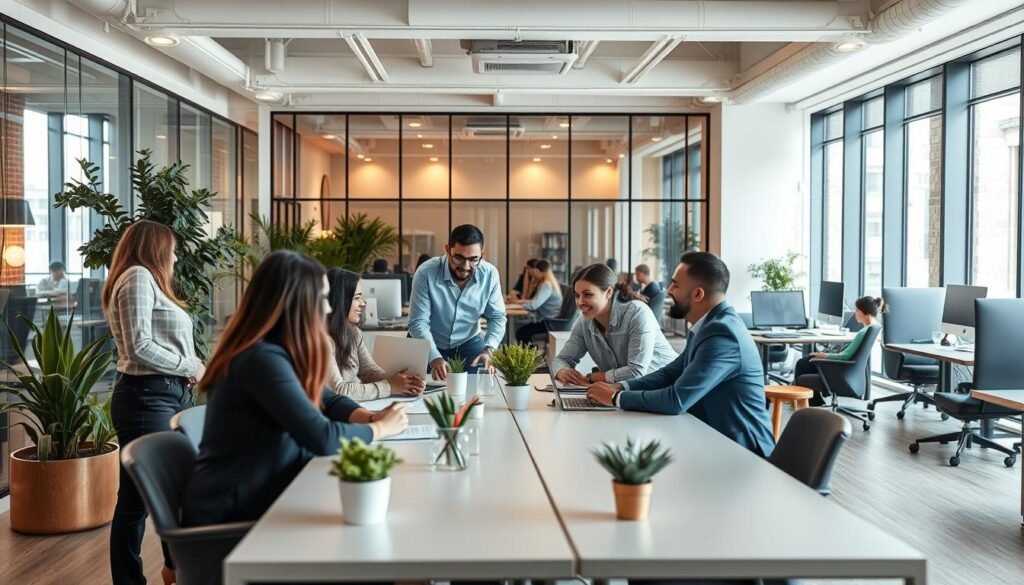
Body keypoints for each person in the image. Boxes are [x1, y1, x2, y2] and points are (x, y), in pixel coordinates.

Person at [182, 251, 408, 528]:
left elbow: (328, 399)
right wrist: (380, 429)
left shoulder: (279, 351)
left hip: (265, 494)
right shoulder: (261, 360)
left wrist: (370, 417)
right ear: (298, 304)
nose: (328, 309)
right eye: (322, 299)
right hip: (234, 514)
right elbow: (322, 437)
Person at [586, 252, 776, 458]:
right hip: (710, 437)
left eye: (675, 285)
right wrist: (621, 386)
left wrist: (615, 398)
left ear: (698, 294)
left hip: (742, 451)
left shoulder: (723, 333)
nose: (668, 290)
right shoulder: (706, 326)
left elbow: (676, 399)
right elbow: (670, 373)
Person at [104, 220, 201, 585]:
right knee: (137, 500)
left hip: (168, 395)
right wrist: (190, 365)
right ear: (156, 248)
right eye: (172, 250)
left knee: (174, 489)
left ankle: (174, 571)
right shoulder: (137, 277)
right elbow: (139, 346)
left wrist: (189, 368)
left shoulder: (149, 282)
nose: (175, 258)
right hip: (146, 398)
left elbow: (156, 343)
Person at [552, 263, 676, 385]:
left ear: (608, 293)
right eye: (577, 295)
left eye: (588, 294)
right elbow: (561, 359)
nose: (580, 302)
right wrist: (562, 371)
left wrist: (592, 378)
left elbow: (636, 371)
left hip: (669, 386)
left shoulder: (637, 313)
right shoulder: (584, 322)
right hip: (630, 390)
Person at [409, 224, 506, 380]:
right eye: (459, 258)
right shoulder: (426, 272)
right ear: (448, 249)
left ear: (482, 254)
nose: (465, 267)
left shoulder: (490, 274)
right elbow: (418, 321)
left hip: (469, 341)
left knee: (477, 387)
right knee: (423, 390)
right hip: (430, 341)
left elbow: (497, 317)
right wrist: (434, 356)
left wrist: (489, 350)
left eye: (473, 259)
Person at [326, 267, 426, 400]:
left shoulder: (353, 332)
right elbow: (338, 390)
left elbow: (369, 371)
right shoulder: (321, 340)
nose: (363, 303)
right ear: (340, 300)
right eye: (357, 298)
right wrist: (389, 387)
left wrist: (405, 382)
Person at [793, 296, 884, 406]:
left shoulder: (862, 333)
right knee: (806, 363)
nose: (855, 313)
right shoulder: (873, 327)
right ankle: (814, 401)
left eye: (857, 310)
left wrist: (824, 356)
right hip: (848, 372)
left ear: (865, 313)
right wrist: (826, 354)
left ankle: (803, 399)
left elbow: (844, 356)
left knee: (802, 364)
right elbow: (847, 354)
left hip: (841, 372)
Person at [514, 259, 564, 344]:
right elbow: (535, 302)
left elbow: (534, 305)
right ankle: (531, 351)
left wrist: (518, 306)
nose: (535, 274)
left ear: (541, 272)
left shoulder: (546, 285)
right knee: (521, 332)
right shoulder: (549, 282)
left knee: (521, 333)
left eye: (536, 271)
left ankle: (530, 352)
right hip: (549, 321)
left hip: (548, 323)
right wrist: (521, 302)